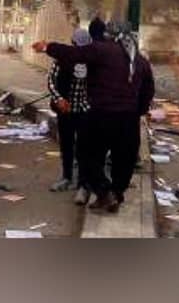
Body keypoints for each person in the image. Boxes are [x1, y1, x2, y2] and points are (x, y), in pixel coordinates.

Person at [32, 20, 155, 213]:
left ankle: (104, 192)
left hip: (101, 116)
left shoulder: (102, 50)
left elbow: (73, 54)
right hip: (128, 120)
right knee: (124, 161)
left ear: (110, 35)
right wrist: (136, 111)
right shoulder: (140, 61)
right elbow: (148, 92)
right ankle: (114, 194)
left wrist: (48, 46)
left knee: (87, 155)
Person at [46, 28, 93, 205]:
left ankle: (82, 185)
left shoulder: (93, 61)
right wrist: (58, 99)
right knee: (66, 144)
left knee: (84, 148)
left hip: (85, 111)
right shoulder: (62, 60)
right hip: (66, 110)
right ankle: (66, 177)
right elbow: (51, 81)